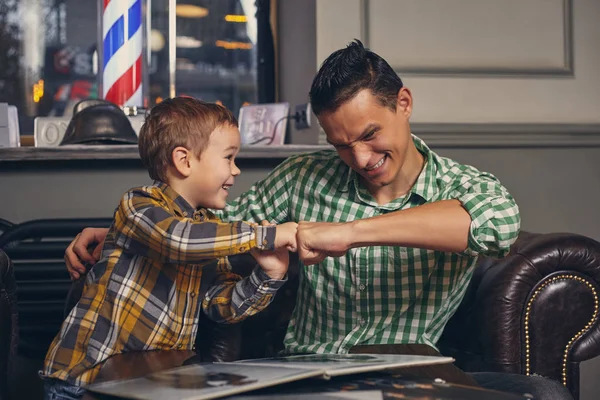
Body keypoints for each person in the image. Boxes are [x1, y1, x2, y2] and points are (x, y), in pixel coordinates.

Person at [64, 41, 572, 399]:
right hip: (302, 372)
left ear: (404, 103)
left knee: (544, 394)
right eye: (341, 145)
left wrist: (349, 234)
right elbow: (221, 226)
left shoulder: (460, 185)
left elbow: (498, 226)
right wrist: (125, 235)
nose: (361, 157)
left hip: (407, 374)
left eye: (371, 134)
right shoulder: (305, 175)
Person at [42, 97, 297, 400]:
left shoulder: (209, 228)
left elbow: (221, 306)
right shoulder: (137, 205)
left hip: (149, 383)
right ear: (184, 161)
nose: (236, 170)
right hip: (85, 379)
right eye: (228, 158)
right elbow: (178, 240)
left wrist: (268, 275)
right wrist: (265, 234)